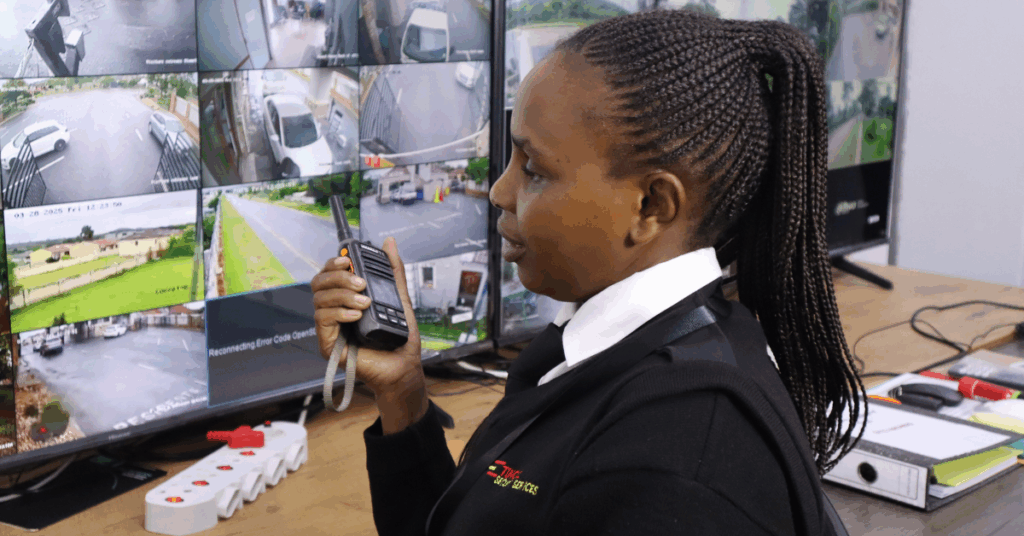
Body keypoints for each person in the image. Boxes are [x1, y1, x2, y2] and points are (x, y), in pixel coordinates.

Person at [312, 9, 865, 536]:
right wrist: (404, 393)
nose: (500, 192)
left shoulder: (675, 466)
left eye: (533, 169)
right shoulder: (620, 352)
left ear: (652, 206)